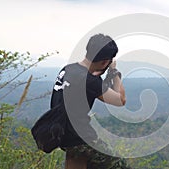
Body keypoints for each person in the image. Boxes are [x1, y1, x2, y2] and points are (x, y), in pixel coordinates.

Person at [50, 33, 129, 169]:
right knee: (119, 165)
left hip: (63, 134)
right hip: (81, 137)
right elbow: (120, 100)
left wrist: (99, 74)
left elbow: (81, 83)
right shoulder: (90, 81)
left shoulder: (67, 69)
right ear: (105, 62)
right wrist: (114, 72)